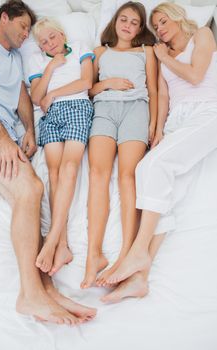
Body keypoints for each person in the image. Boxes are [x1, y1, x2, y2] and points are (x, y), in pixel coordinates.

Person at [0, 0, 96, 323]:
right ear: (4, 17)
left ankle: (48, 290)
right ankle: (29, 295)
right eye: (22, 28)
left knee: (32, 202)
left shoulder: (16, 57)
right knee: (31, 190)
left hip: (8, 132)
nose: (26, 36)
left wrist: (30, 129)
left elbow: (23, 95)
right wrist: (4, 139)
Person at [101, 1, 217, 303]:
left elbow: (195, 76)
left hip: (208, 111)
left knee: (147, 169)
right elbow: (163, 95)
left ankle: (137, 253)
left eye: (164, 21)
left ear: (179, 18)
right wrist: (158, 129)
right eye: (157, 26)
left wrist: (164, 56)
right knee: (166, 192)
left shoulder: (201, 36)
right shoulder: (160, 57)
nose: (161, 29)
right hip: (178, 121)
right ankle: (140, 278)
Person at [80, 1, 158, 289]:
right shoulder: (100, 52)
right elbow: (87, 88)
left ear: (140, 28)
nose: (127, 25)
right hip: (104, 109)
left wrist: (155, 125)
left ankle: (126, 253)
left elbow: (154, 88)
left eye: (134, 22)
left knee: (128, 176)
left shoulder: (146, 52)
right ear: (115, 22)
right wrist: (108, 82)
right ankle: (93, 256)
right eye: (123, 19)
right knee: (97, 174)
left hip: (136, 109)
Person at [29, 18, 94, 276]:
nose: (50, 44)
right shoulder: (38, 60)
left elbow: (86, 82)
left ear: (63, 35)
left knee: (69, 166)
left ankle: (53, 239)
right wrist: (50, 68)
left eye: (53, 37)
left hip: (77, 107)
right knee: (54, 173)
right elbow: (36, 96)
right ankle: (63, 244)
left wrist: (54, 93)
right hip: (50, 115)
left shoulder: (79, 47)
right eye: (44, 42)